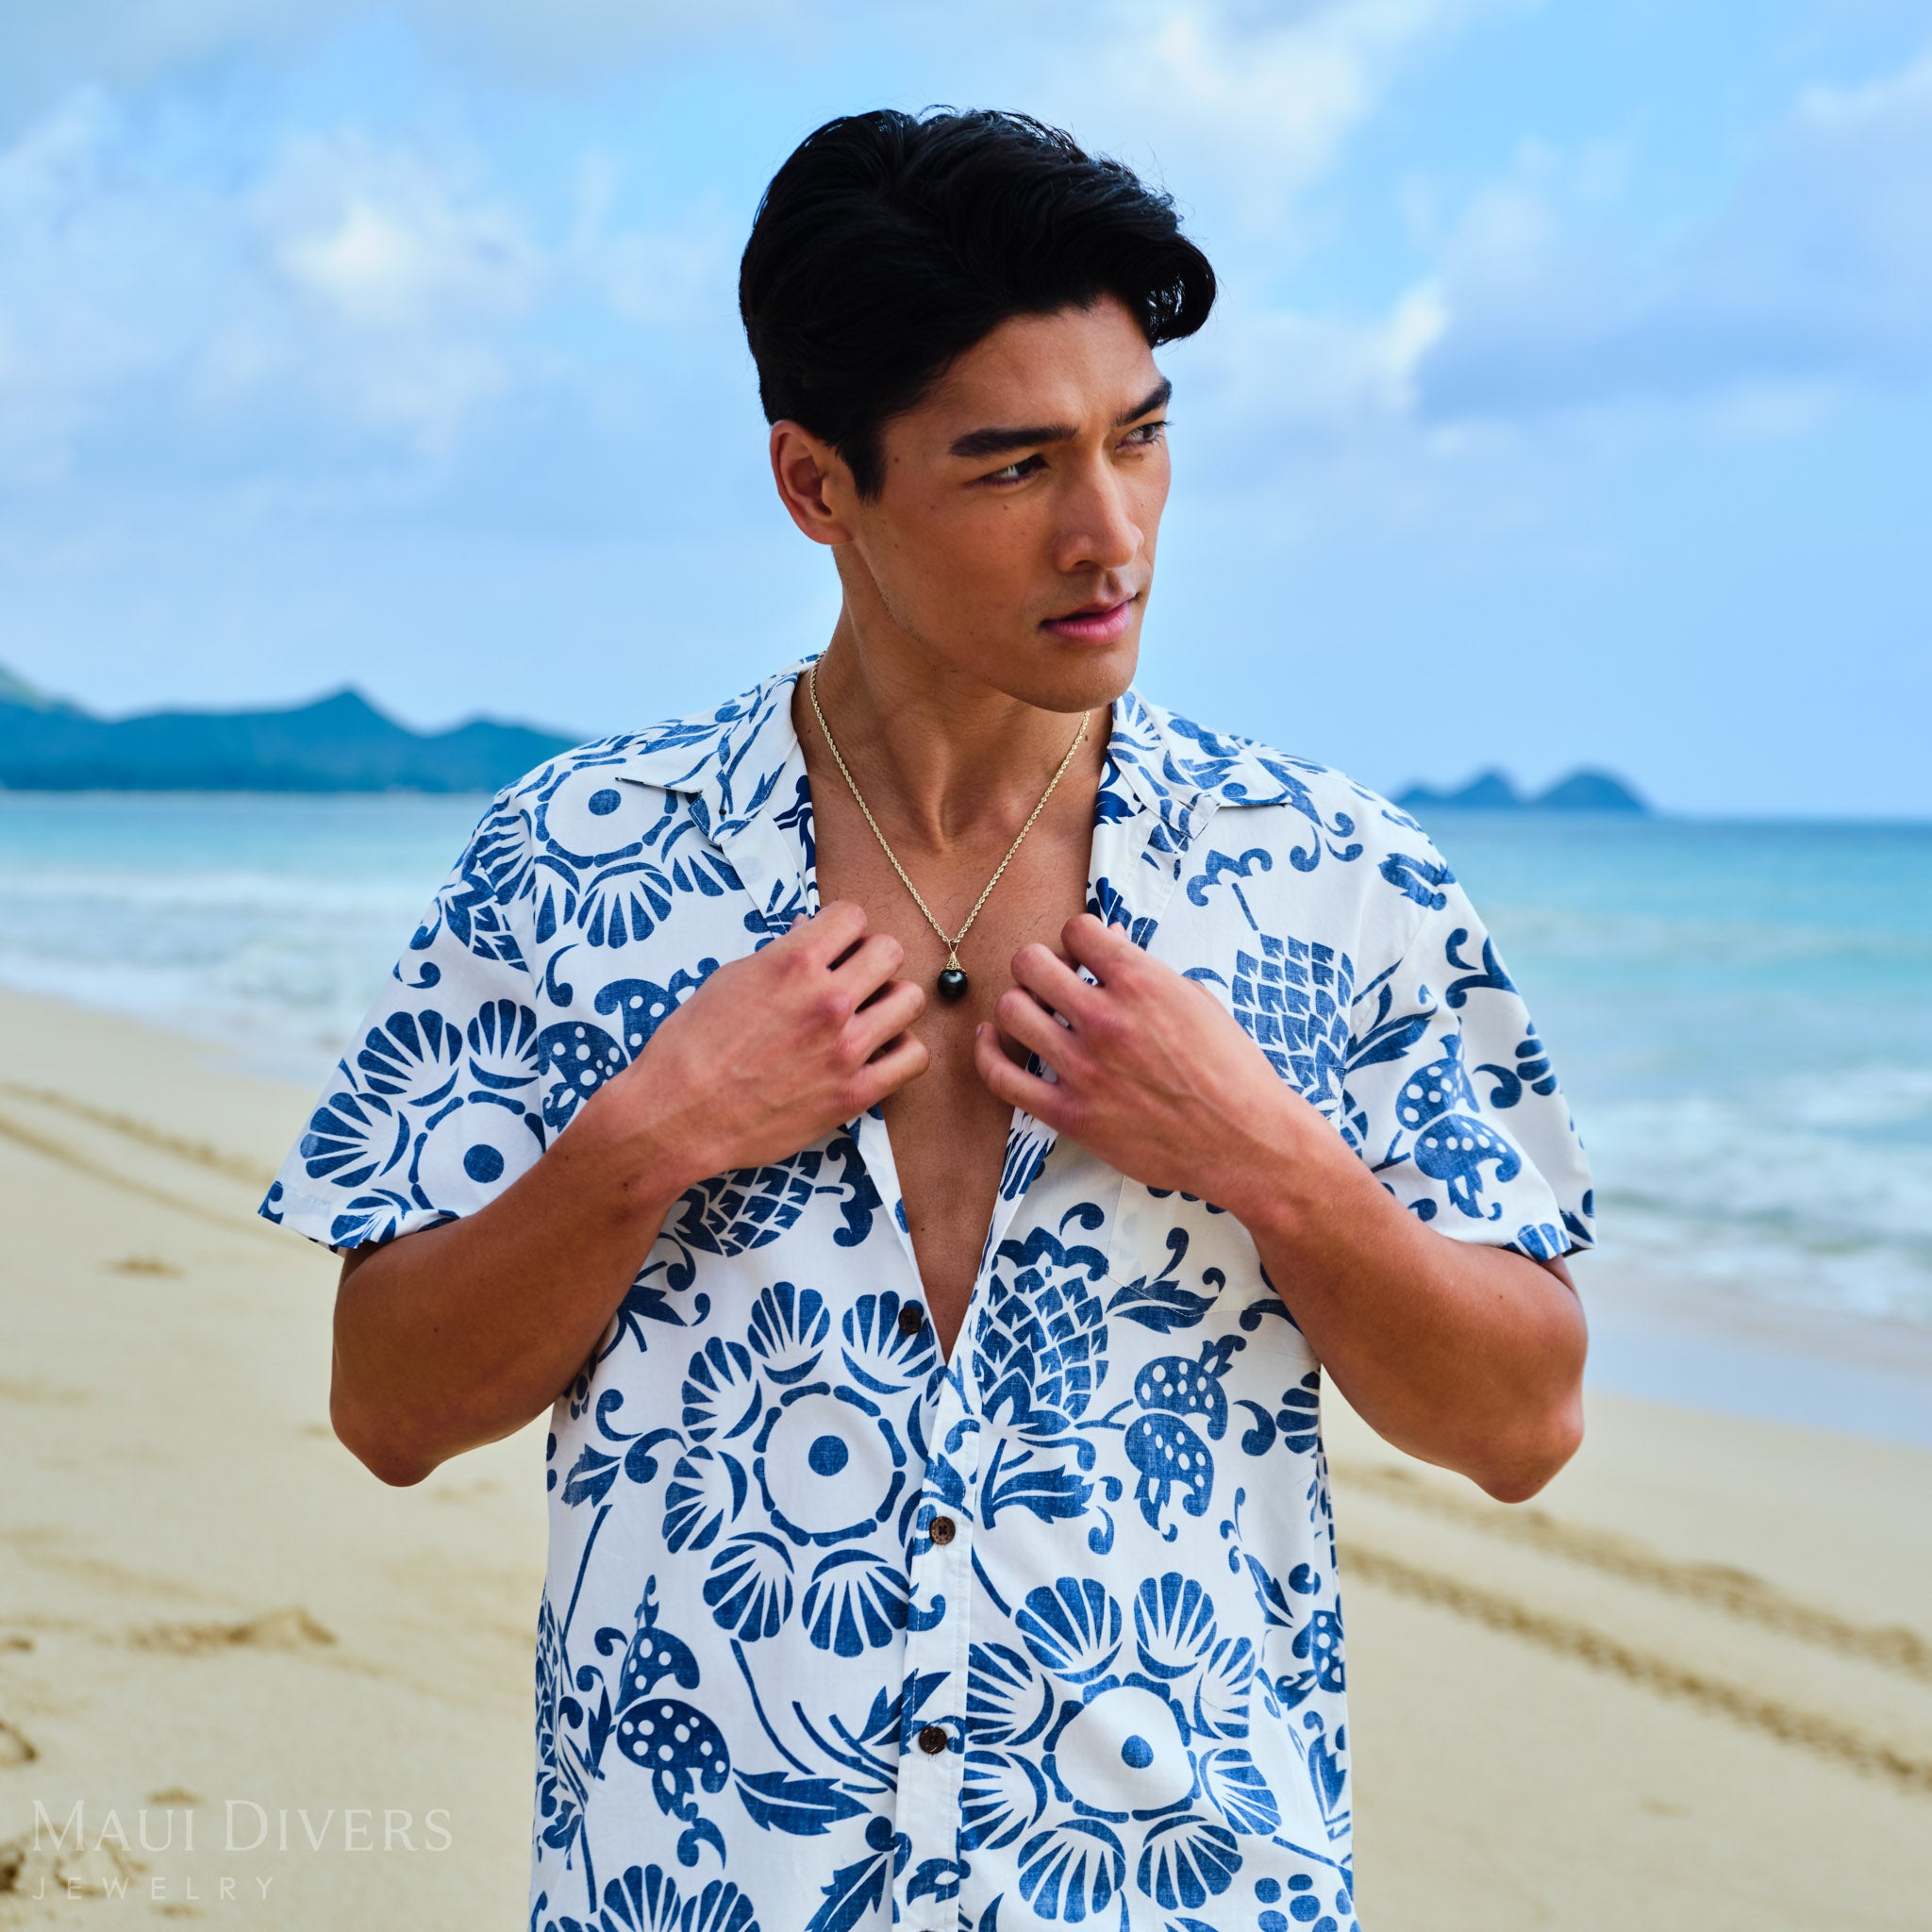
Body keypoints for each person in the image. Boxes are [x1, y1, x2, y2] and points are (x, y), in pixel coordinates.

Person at [260, 107, 1593, 1932]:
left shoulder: (1333, 877)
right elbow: (388, 1406)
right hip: (701, 1882)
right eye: (1012, 466)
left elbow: (1524, 1420)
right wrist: (650, 1138)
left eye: (1141, 437)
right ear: (818, 485)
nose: (1107, 529)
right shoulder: (578, 859)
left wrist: (1272, 1158)